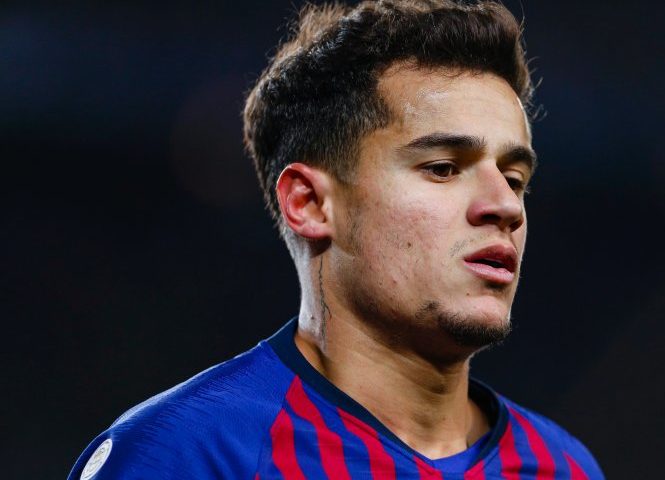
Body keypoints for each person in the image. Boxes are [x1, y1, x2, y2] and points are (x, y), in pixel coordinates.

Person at [68, 1, 604, 478]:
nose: (506, 206)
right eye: (442, 168)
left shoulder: (565, 468)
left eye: (514, 178)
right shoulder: (186, 455)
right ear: (309, 203)